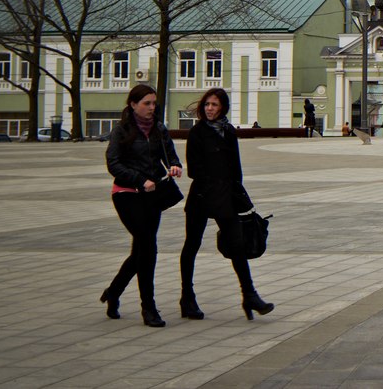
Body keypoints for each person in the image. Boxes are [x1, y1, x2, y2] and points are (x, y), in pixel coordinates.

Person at [179, 88, 274, 322]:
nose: (210, 109)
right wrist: (217, 183)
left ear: (223, 107)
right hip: (202, 196)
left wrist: (239, 195)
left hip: (226, 197)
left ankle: (249, 295)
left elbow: (236, 168)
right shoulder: (197, 132)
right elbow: (194, 170)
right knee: (192, 245)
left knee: (237, 245)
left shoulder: (228, 131)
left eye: (215, 105)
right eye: (207, 105)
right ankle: (187, 297)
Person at [102, 84, 182, 327]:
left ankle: (114, 292)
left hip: (152, 195)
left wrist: (175, 166)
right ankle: (149, 308)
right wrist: (139, 179)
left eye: (153, 103)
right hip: (127, 194)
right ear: (133, 104)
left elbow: (170, 154)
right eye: (146, 103)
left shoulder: (159, 129)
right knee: (148, 248)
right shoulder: (121, 130)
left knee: (141, 251)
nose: (151, 107)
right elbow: (113, 164)